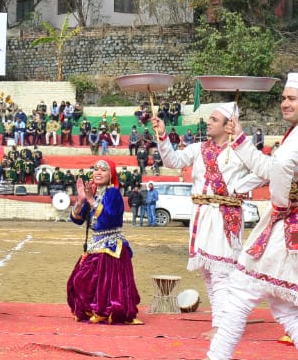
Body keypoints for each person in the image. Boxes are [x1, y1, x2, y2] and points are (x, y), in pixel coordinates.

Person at [181, 66, 298, 360]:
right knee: (282, 304)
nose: (285, 103)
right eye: (283, 98)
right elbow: (271, 168)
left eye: (292, 98)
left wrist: (278, 203)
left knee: (241, 287)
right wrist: (239, 140)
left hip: (291, 222)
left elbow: (279, 169)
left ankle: (217, 359)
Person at [154, 103, 260, 326]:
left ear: (228, 125)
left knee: (221, 272)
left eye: (213, 119)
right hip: (201, 214)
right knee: (208, 272)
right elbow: (173, 161)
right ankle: (221, 321)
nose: (208, 122)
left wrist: (238, 188)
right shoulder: (198, 148)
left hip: (225, 215)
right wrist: (162, 135)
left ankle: (222, 326)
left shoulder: (242, 150)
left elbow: (264, 171)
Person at [67, 158, 141, 324]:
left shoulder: (113, 193)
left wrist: (91, 200)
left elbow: (110, 218)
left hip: (111, 244)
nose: (98, 172)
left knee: (102, 282)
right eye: (96, 169)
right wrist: (80, 200)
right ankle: (93, 308)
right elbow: (78, 219)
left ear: (111, 174)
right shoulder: (93, 193)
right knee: (79, 278)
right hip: (96, 243)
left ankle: (104, 311)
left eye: (103, 170)